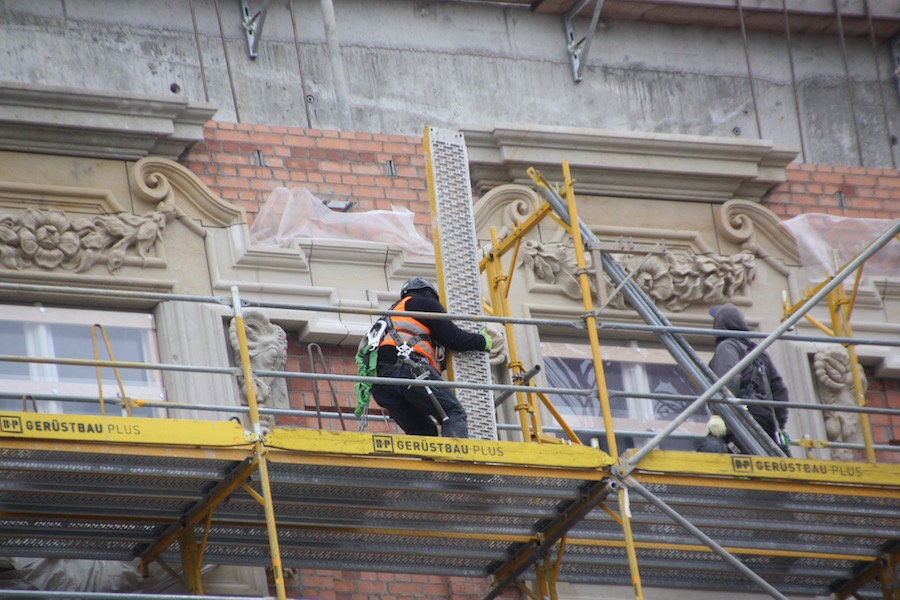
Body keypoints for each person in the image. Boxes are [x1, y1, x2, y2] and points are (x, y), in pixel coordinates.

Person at [371, 277, 494, 438]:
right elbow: (454, 338)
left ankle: (431, 463)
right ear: (428, 293)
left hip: (381, 385)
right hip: (408, 369)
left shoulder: (392, 316)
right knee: (452, 412)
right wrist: (481, 340)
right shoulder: (421, 303)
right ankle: (457, 461)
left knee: (424, 432)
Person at [709, 303, 790, 452]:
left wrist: (719, 414)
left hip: (743, 417)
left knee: (726, 457)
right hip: (766, 420)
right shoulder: (759, 352)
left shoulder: (728, 346)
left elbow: (728, 381)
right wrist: (779, 425)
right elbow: (780, 391)